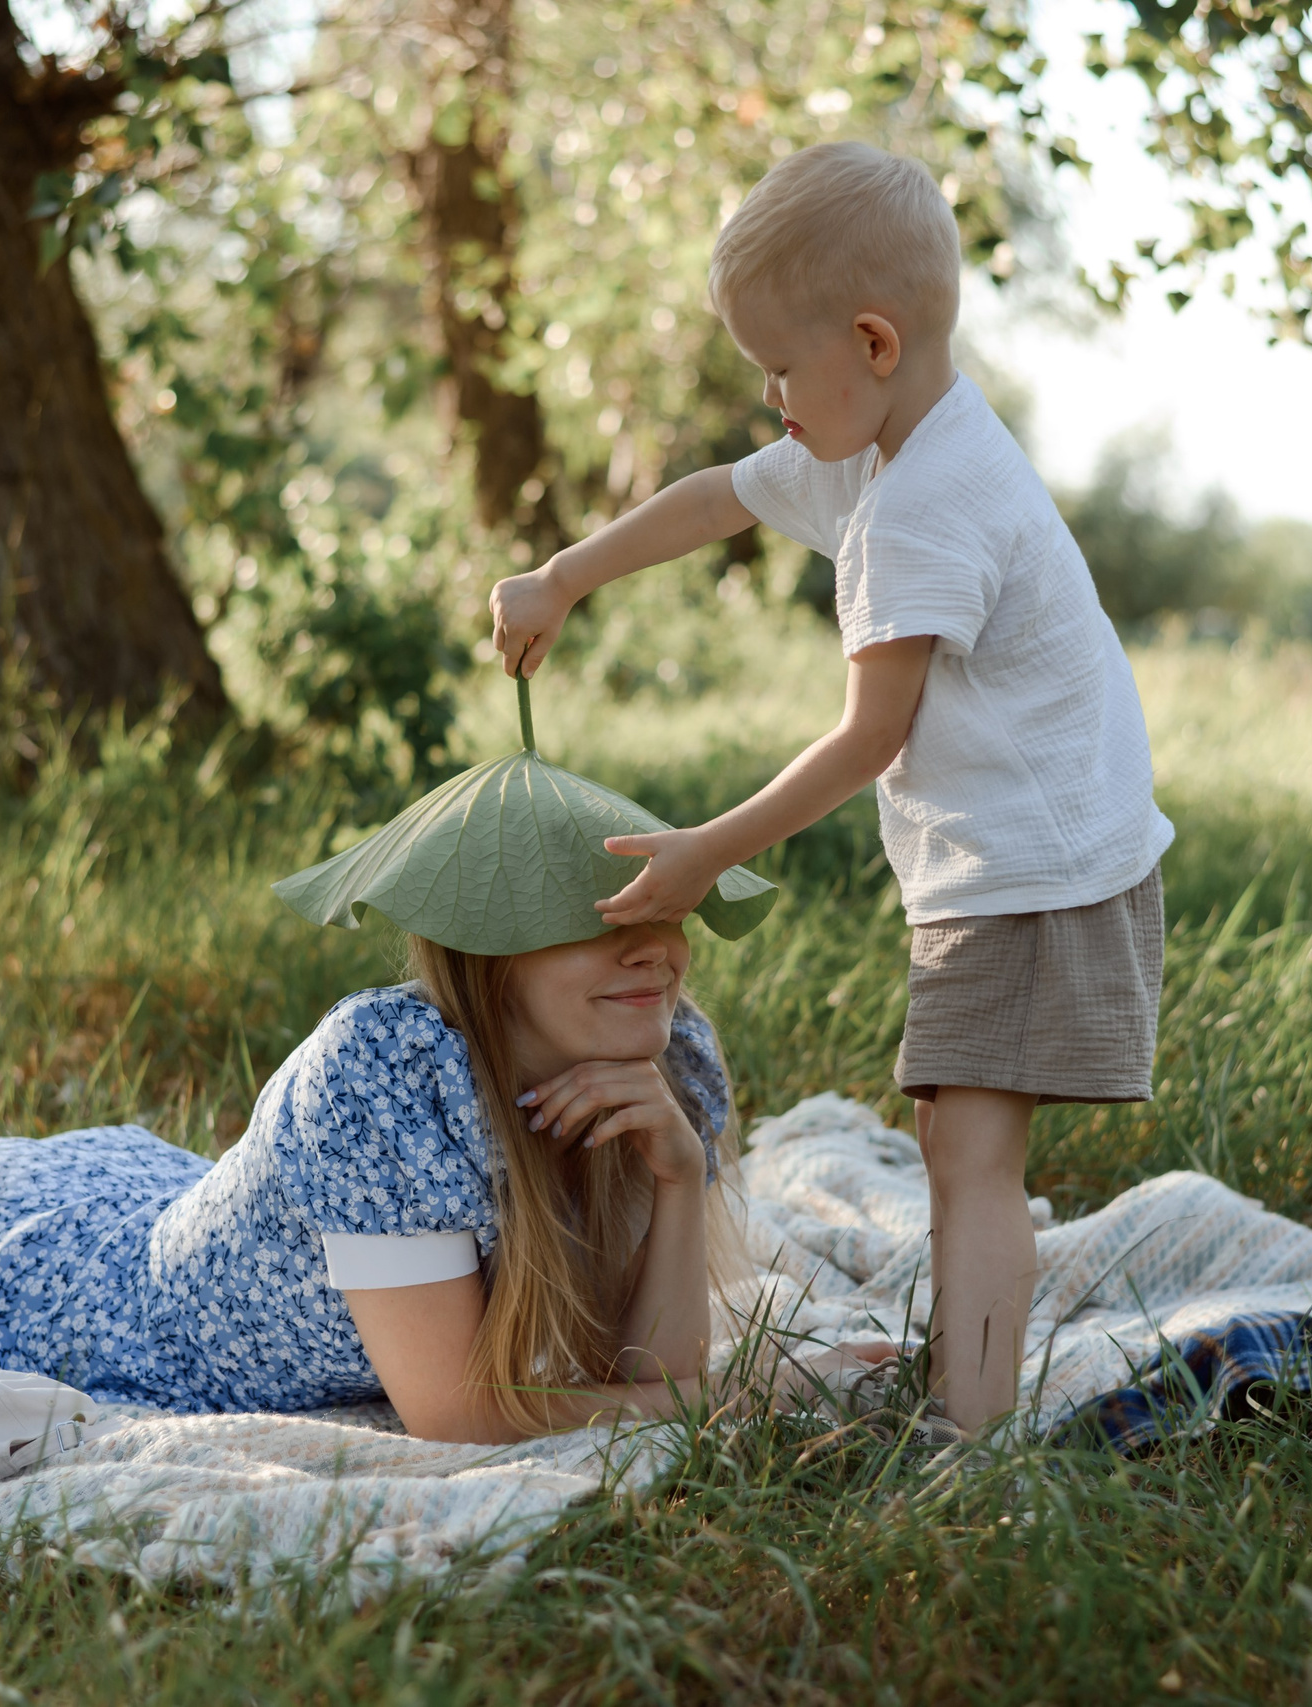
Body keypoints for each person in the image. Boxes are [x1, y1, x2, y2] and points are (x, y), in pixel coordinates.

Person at [488, 141, 1176, 1435]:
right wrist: (564, 576)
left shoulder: (922, 508)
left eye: (778, 369)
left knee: (975, 1158)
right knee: (957, 1142)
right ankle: (964, 1386)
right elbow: (720, 500)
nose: (769, 399)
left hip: (1035, 874)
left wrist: (707, 848)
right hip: (1020, 858)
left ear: (871, 341)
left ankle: (970, 1439)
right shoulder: (886, 444)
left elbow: (869, 738)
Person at [0, 922, 875, 1444]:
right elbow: (460, 1415)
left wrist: (675, 1178)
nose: (657, 948)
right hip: (48, 1295)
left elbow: (643, 1368)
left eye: (669, 907)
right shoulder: (386, 1071)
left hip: (130, 1214)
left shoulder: (664, 1059)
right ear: (493, 952)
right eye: (605, 920)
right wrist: (717, 1402)